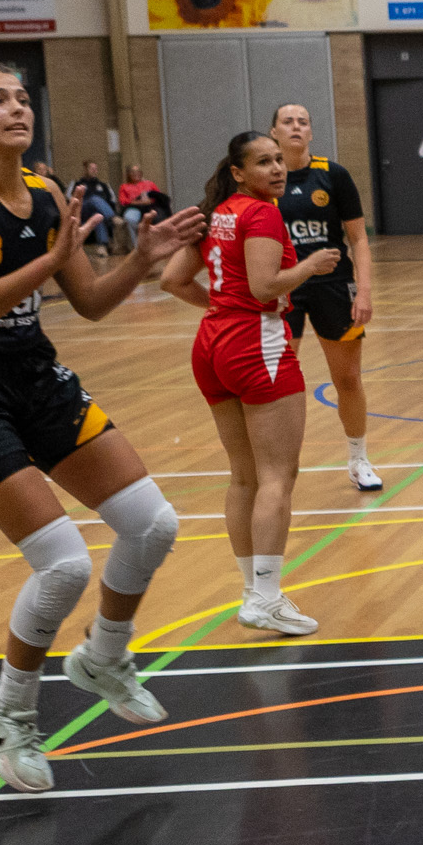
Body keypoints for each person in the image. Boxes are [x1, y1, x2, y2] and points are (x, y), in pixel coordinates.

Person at [0, 62, 204, 793]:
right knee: (65, 565)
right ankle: (10, 712)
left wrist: (140, 260)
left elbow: (92, 303)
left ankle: (103, 657)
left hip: (34, 378)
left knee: (153, 525)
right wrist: (47, 259)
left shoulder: (45, 193)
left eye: (21, 97)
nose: (17, 108)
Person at [160, 131, 340, 637]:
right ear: (238, 172)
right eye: (264, 162)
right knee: (277, 475)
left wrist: (221, 305)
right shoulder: (261, 214)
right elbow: (264, 288)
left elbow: (172, 280)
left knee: (244, 477)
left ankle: (253, 594)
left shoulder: (217, 211)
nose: (277, 169)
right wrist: (310, 266)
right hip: (255, 343)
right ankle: (265, 598)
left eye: (279, 160)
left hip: (212, 344)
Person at [268, 103, 380, 491]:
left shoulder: (333, 175)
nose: (296, 127)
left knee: (347, 378)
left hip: (334, 287)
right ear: (274, 132)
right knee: (280, 380)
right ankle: (277, 465)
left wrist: (363, 291)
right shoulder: (265, 181)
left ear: (311, 132)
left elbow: (358, 238)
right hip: (283, 288)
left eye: (303, 121)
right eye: (288, 121)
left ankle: (359, 459)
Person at [117, 164, 160, 252]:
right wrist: (138, 202)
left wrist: (150, 200)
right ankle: (137, 248)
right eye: (132, 172)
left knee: (158, 216)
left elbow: (159, 196)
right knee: (130, 218)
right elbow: (123, 201)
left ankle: (156, 245)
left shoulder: (149, 184)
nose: (136, 174)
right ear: (128, 174)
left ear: (141, 173)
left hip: (150, 207)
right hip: (134, 208)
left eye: (138, 171)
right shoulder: (124, 186)